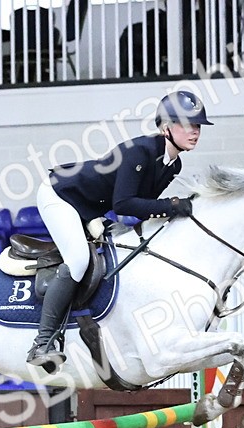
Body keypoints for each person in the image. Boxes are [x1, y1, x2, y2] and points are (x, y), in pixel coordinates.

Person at [26, 89, 213, 370]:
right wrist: (172, 206)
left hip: (92, 208)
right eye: (188, 125)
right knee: (78, 261)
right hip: (61, 195)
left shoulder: (173, 165)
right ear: (166, 128)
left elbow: (142, 207)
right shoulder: (140, 151)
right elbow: (125, 204)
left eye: (197, 126)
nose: (195, 132)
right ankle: (42, 343)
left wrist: (171, 208)